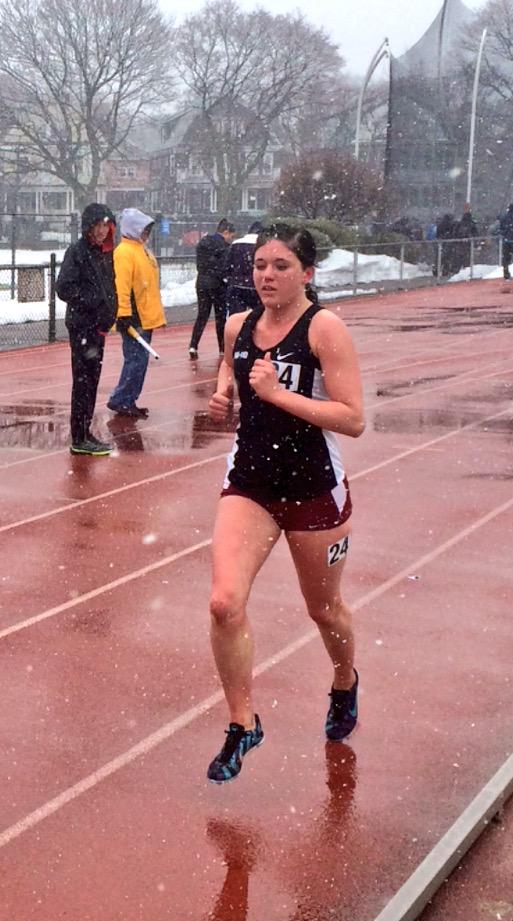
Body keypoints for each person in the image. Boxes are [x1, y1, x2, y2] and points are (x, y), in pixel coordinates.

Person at [205, 223, 365, 784]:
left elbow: (353, 419)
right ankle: (241, 722)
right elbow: (231, 364)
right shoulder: (236, 326)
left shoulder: (324, 329)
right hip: (250, 482)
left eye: (280, 266)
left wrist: (278, 395)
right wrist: (226, 390)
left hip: (314, 487)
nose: (267, 276)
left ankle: (345, 678)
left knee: (324, 610)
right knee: (225, 603)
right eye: (260, 266)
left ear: (307, 274)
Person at [56, 203, 118, 456]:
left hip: (98, 328)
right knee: (83, 382)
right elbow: (64, 288)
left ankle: (85, 431)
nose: (103, 231)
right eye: (99, 225)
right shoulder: (78, 252)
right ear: (89, 227)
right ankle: (79, 436)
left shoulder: (104, 253)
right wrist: (92, 302)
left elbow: (108, 286)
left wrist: (111, 311)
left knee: (92, 382)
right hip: (83, 327)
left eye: (107, 225)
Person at [107, 208, 166, 417]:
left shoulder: (141, 251)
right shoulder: (125, 253)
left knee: (139, 360)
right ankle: (122, 399)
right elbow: (121, 286)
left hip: (144, 316)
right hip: (134, 318)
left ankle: (127, 398)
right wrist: (123, 314)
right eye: (144, 229)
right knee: (136, 360)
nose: (147, 234)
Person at [188, 218, 235, 360]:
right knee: (220, 317)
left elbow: (201, 264)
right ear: (226, 232)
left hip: (201, 282)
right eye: (231, 236)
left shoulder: (203, 242)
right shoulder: (224, 247)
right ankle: (222, 348)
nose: (231, 240)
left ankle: (193, 345)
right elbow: (224, 267)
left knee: (202, 315)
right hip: (217, 284)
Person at [225, 220, 264, 315]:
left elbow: (227, 265)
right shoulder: (262, 245)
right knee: (258, 315)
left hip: (237, 286)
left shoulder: (236, 244)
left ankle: (236, 329)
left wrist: (230, 279)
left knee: (235, 316)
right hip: (256, 287)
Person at [498, 203, 513, 280]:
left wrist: (504, 234)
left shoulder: (504, 217)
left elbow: (500, 229)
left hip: (506, 241)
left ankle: (506, 273)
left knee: (506, 258)